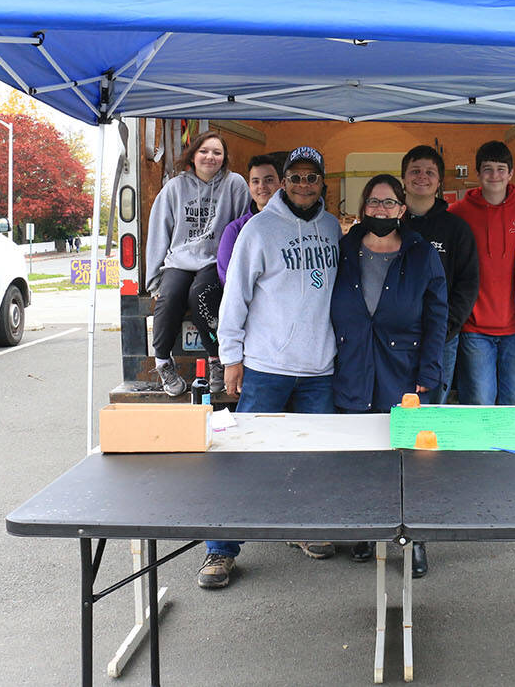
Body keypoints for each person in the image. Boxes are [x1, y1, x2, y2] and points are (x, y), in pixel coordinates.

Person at [199, 145, 342, 590]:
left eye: (311, 177)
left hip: (318, 369)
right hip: (266, 367)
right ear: (284, 182)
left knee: (313, 460)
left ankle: (303, 528)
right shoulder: (258, 230)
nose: (303, 185)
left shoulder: (332, 227)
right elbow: (235, 297)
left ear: (322, 182)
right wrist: (232, 358)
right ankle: (220, 549)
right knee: (246, 460)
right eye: (295, 177)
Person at [331, 174, 448, 577]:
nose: (380, 210)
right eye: (374, 202)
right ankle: (368, 529)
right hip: (354, 363)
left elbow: (437, 316)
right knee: (363, 456)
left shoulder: (421, 253)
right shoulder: (344, 249)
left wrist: (429, 370)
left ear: (402, 208)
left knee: (408, 458)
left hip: (405, 367)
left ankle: (415, 539)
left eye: (389, 203)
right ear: (363, 207)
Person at [144, 131, 249, 397]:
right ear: (193, 156)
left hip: (215, 259)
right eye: (204, 151)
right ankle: (163, 362)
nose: (210, 157)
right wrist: (154, 279)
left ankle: (216, 360)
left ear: (224, 158)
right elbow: (159, 232)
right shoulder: (174, 188)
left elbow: (243, 227)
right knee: (169, 296)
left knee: (200, 294)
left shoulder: (235, 184)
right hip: (180, 259)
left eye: (217, 152)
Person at [448, 141, 515, 405]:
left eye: (501, 169)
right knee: (479, 401)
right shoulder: (458, 213)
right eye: (487, 169)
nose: (494, 175)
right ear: (478, 173)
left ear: (511, 173)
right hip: (474, 328)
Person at [400, 146, 479, 404]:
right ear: (403, 178)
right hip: (395, 337)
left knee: (433, 409)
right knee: (395, 404)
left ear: (439, 181)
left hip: (441, 338)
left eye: (430, 172)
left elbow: (467, 283)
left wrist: (446, 326)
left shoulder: (456, 229)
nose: (422, 177)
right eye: (415, 171)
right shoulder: (390, 224)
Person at [216, 153, 283, 284]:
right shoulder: (235, 230)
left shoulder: (295, 225)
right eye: (255, 181)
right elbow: (227, 275)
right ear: (249, 186)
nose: (262, 186)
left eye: (269, 180)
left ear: (282, 184)